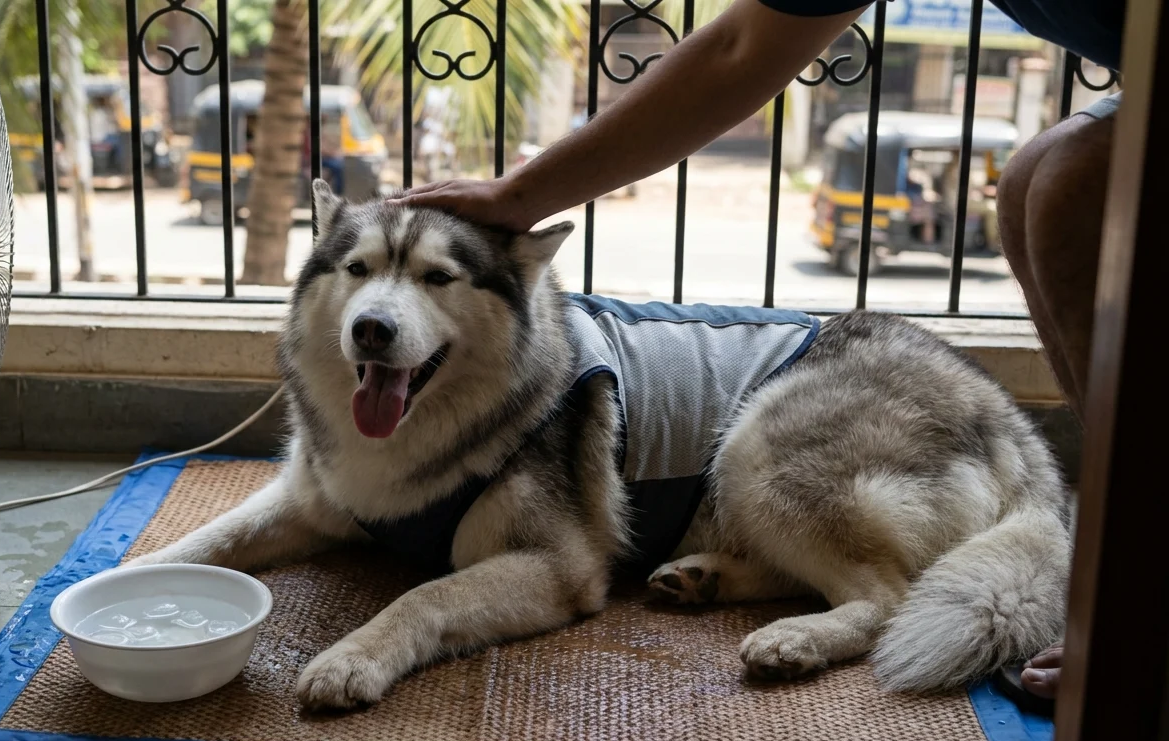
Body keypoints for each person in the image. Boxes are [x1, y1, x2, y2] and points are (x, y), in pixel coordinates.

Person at [391, 0, 1127, 704]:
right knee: (1037, 178)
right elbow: (739, 45)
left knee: (1067, 186)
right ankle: (773, 572)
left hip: (884, 403)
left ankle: (871, 603)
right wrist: (521, 195)